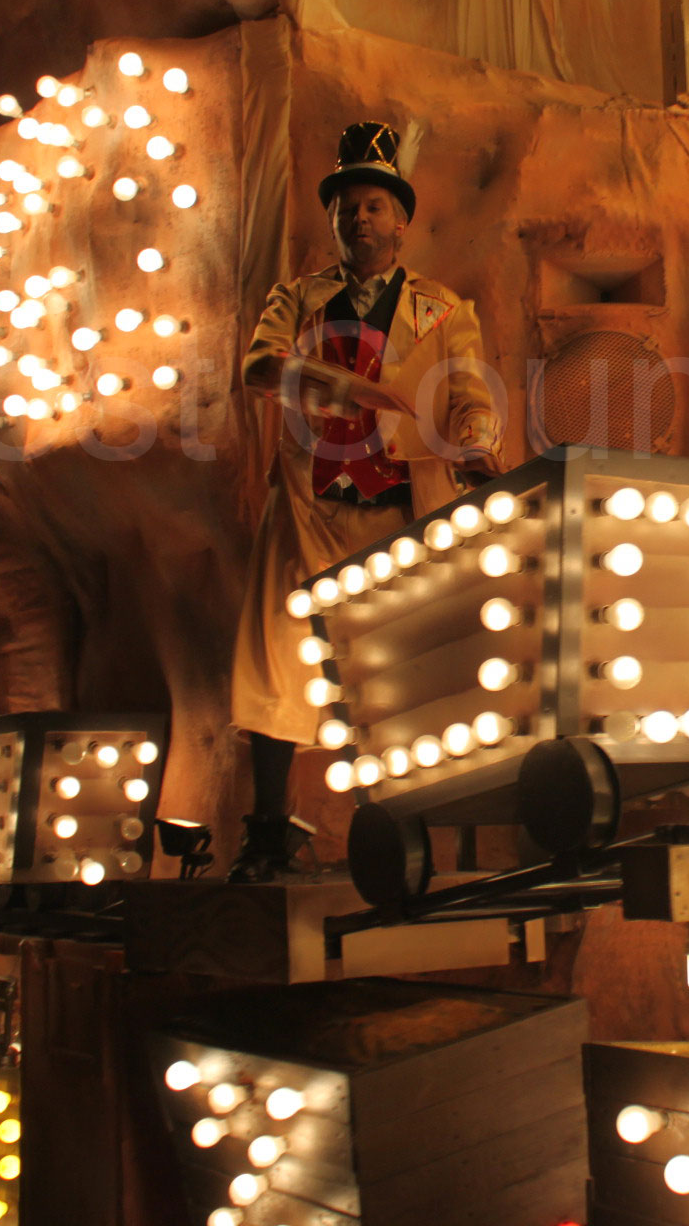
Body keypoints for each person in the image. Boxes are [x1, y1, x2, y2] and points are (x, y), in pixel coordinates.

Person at [227, 121, 503, 880]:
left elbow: (469, 393)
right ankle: (266, 831)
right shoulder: (298, 299)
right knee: (279, 657)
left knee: (395, 675)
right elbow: (258, 367)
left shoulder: (444, 309)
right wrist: (342, 385)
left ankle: (395, 833)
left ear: (401, 221)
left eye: (374, 205)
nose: (359, 218)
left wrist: (476, 441)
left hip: (397, 517)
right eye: (346, 207)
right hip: (308, 508)